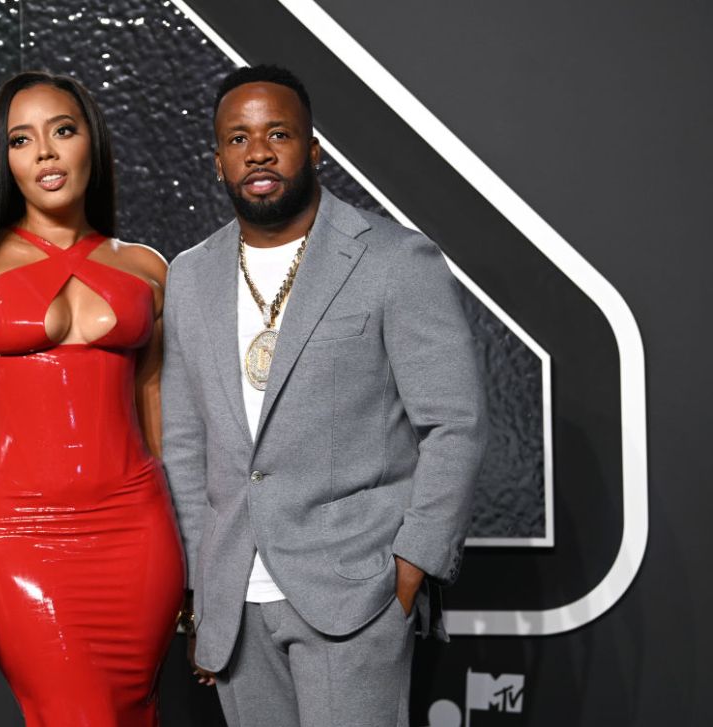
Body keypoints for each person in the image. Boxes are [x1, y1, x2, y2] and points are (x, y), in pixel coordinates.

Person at [161, 65, 488, 727]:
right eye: (238, 138)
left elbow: (456, 422)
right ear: (219, 159)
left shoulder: (395, 260)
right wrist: (205, 588)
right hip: (236, 603)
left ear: (313, 150)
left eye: (278, 133)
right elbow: (185, 446)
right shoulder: (189, 278)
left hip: (355, 590)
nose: (257, 150)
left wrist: (412, 562)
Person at [0, 71, 184, 726]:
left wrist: (200, 557)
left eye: (63, 130)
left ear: (92, 141)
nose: (47, 153)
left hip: (139, 534)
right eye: (22, 140)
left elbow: (165, 423)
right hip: (22, 539)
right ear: (3, 161)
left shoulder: (149, 269)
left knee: (134, 711)